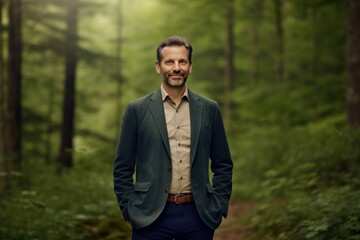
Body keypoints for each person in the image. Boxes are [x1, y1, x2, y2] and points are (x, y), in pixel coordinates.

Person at [113, 36, 233, 240]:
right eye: (170, 62)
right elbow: (122, 166)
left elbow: (223, 163)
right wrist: (129, 207)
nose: (176, 68)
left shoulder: (209, 109)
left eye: (182, 61)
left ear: (190, 66)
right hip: (149, 215)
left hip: (198, 216)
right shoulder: (137, 110)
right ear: (158, 67)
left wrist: (218, 205)